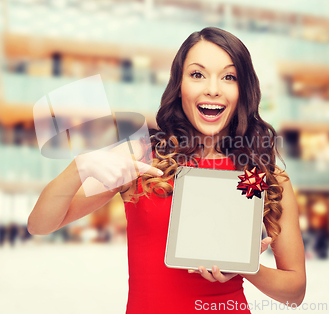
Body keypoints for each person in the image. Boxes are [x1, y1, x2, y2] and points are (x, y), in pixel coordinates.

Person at [28, 27, 306, 313]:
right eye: (197, 74)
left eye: (229, 76)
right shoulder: (143, 157)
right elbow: (40, 225)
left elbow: (295, 293)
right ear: (180, 84)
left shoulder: (262, 175)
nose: (213, 88)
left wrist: (246, 267)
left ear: (242, 90)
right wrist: (80, 167)